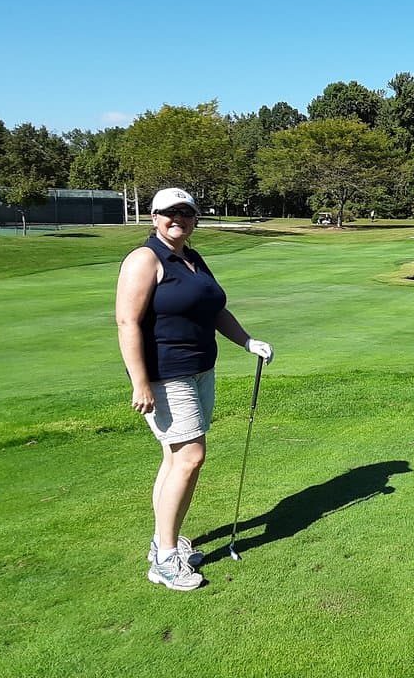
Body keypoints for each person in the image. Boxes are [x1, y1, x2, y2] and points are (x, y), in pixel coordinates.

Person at [115, 187, 274, 591]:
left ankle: (161, 544)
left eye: (186, 213)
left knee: (174, 457)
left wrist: (246, 341)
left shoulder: (191, 257)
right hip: (167, 375)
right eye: (169, 213)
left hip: (201, 370)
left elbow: (214, 308)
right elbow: (128, 323)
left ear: (194, 220)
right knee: (191, 456)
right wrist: (139, 382)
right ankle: (166, 559)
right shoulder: (144, 259)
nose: (178, 219)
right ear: (153, 217)